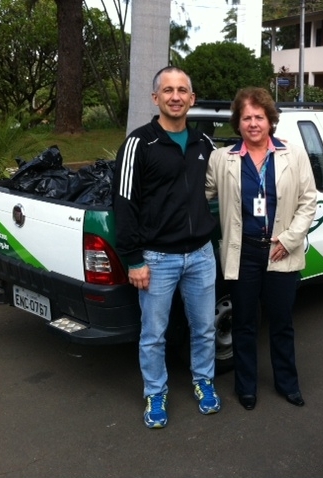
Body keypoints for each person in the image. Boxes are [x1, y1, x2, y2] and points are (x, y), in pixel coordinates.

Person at [112, 66, 220, 428]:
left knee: (204, 327)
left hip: (202, 256)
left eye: (182, 90)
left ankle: (203, 380)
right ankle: (155, 393)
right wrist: (133, 260)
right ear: (155, 97)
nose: (176, 96)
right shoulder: (139, 144)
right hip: (157, 259)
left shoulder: (205, 144)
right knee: (153, 334)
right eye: (168, 90)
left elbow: (227, 181)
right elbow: (123, 204)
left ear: (192, 98)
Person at [206, 87, 317, 410]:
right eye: (246, 118)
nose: (253, 123)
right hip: (243, 254)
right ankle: (246, 388)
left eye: (259, 117)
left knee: (281, 323)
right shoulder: (222, 158)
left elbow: (308, 201)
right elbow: (203, 195)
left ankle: (287, 384)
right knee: (243, 323)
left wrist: (289, 239)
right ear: (237, 123)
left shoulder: (292, 154)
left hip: (280, 250)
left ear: (270, 121)